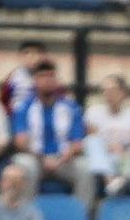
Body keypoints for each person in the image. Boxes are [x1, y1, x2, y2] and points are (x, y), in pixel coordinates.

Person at [10, 59, 93, 209]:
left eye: (51, 76)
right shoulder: (23, 108)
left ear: (57, 81)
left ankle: (81, 217)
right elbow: (20, 142)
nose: (47, 81)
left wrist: (61, 159)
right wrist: (42, 158)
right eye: (42, 77)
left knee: (85, 168)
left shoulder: (71, 107)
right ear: (35, 80)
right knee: (24, 165)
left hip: (62, 160)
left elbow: (77, 143)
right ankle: (27, 217)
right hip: (35, 158)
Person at [83, 73, 130, 203]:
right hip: (103, 160)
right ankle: (110, 180)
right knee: (91, 142)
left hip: (127, 159)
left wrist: (123, 151)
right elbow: (91, 139)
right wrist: (109, 147)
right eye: (105, 90)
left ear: (124, 93)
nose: (109, 94)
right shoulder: (94, 112)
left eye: (113, 90)